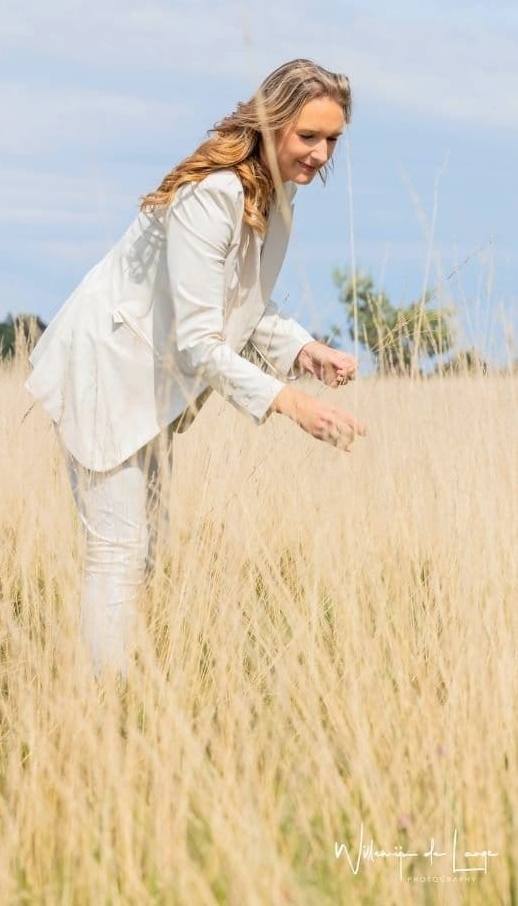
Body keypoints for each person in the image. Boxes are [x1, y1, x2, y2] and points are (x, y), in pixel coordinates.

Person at [24, 58, 367, 683]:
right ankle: (105, 712)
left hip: (154, 388)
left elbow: (233, 304)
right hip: (107, 374)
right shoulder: (214, 194)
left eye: (333, 139)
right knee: (118, 554)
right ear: (271, 125)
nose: (320, 153)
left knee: (141, 555)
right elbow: (200, 340)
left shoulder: (276, 192)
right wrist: (290, 402)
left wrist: (301, 347)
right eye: (308, 136)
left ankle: (113, 699)